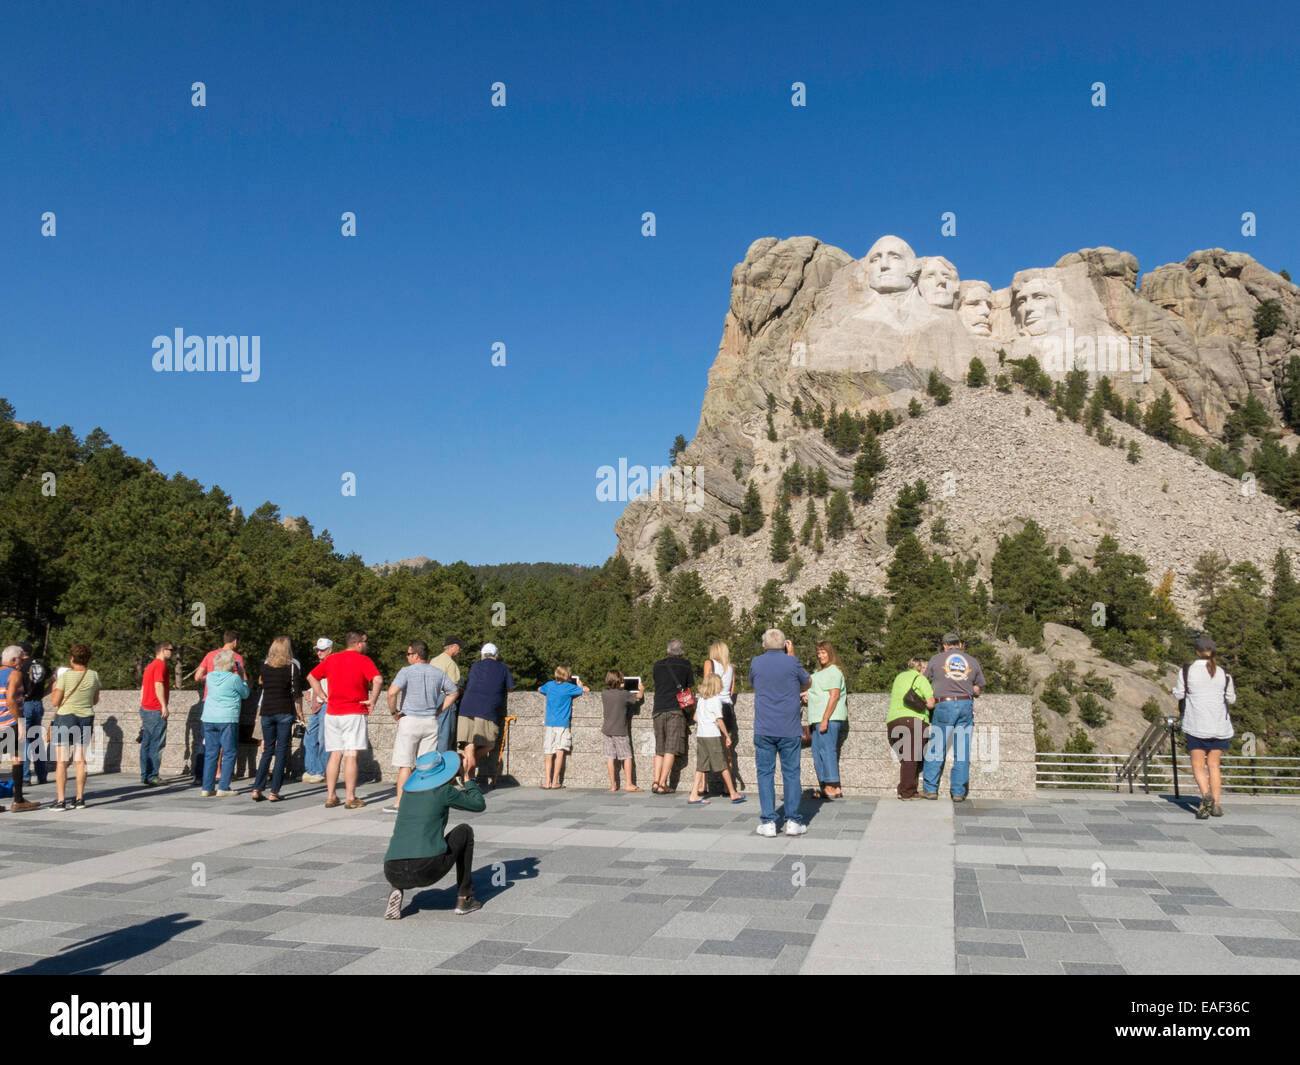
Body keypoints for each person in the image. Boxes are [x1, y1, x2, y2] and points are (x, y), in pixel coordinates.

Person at [382, 750, 484, 919]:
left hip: (392, 869)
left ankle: (396, 888)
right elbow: (478, 804)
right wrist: (466, 777)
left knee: (407, 838)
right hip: (426, 868)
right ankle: (465, 898)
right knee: (464, 831)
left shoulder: (407, 793)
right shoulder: (444, 791)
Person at [307, 631, 381, 810]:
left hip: (333, 712)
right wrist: (373, 700)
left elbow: (311, 676)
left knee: (335, 754)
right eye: (365, 642)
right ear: (357, 643)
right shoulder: (363, 660)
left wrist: (322, 695)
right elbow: (377, 679)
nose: (366, 645)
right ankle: (350, 797)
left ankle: (331, 796)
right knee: (351, 754)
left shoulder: (332, 659)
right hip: (354, 711)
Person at [749, 629, 810, 836]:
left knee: (765, 773)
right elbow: (807, 681)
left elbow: (752, 682)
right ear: (785, 645)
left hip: (764, 727)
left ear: (764, 645)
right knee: (791, 773)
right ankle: (793, 820)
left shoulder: (756, 662)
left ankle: (768, 822)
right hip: (789, 727)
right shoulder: (792, 662)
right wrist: (790, 655)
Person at [385, 640, 458, 813]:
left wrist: (394, 711)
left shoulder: (406, 672)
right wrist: (439, 710)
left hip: (409, 720)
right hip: (430, 721)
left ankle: (401, 803)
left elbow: (392, 692)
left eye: (409, 654)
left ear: (416, 655)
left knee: (405, 764)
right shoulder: (438, 673)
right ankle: (424, 802)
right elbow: (453, 691)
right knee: (426, 765)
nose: (407, 657)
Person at [1173, 635, 1237, 820]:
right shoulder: (1224, 674)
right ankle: (1216, 804)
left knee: (1198, 765)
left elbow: (1179, 695)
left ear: (1196, 651)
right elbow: (1231, 699)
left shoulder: (1187, 671)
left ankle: (1205, 795)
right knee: (1214, 765)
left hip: (1197, 725)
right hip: (1219, 726)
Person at [921, 633, 984, 802]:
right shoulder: (972, 661)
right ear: (960, 645)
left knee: (937, 747)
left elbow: (924, 681)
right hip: (966, 705)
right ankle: (958, 792)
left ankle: (930, 789)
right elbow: (977, 688)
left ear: (944, 646)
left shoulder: (936, 659)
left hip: (944, 705)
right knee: (962, 751)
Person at [48, 643, 102, 810]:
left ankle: (61, 800)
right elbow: (95, 700)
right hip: (86, 717)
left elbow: (54, 702)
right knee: (80, 760)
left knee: (62, 761)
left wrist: (54, 687)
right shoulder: (93, 675)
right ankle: (80, 798)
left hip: (65, 717)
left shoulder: (65, 677)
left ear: (72, 659)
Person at [252, 636, 303, 802]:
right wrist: (300, 713)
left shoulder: (265, 667)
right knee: (281, 750)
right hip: (284, 711)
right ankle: (274, 791)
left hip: (266, 711)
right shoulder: (292, 667)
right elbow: (296, 693)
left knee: (267, 750)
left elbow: (264, 685)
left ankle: (257, 788)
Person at [456, 643, 515, 786]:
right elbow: (511, 688)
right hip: (486, 710)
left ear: (482, 655)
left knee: (469, 745)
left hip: (466, 708)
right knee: (489, 744)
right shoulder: (502, 667)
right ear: (496, 655)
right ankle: (469, 778)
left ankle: (466, 776)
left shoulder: (475, 666)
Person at [688, 673, 743, 805]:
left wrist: (704, 719)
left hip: (701, 734)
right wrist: (727, 735)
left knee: (701, 766)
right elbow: (719, 720)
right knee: (722, 764)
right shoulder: (715, 700)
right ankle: (733, 792)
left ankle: (693, 794)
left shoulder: (702, 699)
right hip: (712, 735)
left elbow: (695, 718)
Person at [200, 650, 248, 797]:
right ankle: (223, 787)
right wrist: (241, 675)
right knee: (229, 752)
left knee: (210, 753)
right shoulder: (234, 679)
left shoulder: (210, 677)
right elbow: (245, 693)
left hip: (209, 717)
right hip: (227, 718)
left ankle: (207, 787)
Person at [887, 657, 936, 800]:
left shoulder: (899, 677)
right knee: (911, 757)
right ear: (922, 668)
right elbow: (931, 703)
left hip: (893, 721)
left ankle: (909, 789)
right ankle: (906, 792)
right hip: (913, 721)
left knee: (907, 758)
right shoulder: (920, 679)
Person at [805, 641, 848, 799]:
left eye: (823, 652)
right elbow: (816, 690)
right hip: (817, 719)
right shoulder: (818, 672)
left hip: (828, 718)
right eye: (818, 653)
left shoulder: (834, 671)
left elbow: (834, 695)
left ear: (830, 653)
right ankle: (826, 785)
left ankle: (833, 786)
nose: (820, 656)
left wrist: (825, 719)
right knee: (818, 752)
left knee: (827, 751)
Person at [650, 638, 694, 794]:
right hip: (675, 710)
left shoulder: (657, 665)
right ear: (681, 652)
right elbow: (688, 688)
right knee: (671, 747)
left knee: (659, 748)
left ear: (668, 650)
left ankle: (655, 781)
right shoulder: (685, 665)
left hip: (658, 709)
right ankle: (663, 784)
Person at [0, 645, 40, 811]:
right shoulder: (14, 674)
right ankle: (18, 800)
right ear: (14, 660)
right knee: (17, 758)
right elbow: (10, 700)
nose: (23, 663)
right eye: (21, 659)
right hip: (11, 722)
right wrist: (20, 721)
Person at [538, 666, 587, 789]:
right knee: (560, 752)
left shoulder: (549, 685)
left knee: (548, 753)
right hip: (563, 724)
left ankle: (547, 781)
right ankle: (555, 782)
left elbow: (540, 689)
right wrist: (580, 685)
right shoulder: (569, 687)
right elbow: (585, 690)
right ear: (568, 676)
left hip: (550, 723)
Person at [703, 641, 741, 793]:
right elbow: (731, 691)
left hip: (713, 706)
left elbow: (706, 685)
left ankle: (702, 785)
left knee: (706, 747)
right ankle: (728, 786)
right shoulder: (731, 668)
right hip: (727, 707)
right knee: (727, 749)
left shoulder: (709, 663)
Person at [601, 669, 643, 792]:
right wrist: (641, 689)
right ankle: (629, 784)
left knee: (610, 757)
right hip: (620, 730)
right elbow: (639, 697)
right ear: (620, 681)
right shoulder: (624, 694)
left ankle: (613, 785)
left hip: (607, 730)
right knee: (626, 757)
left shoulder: (604, 693)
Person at [139, 641, 173, 786]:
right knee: (157, 743)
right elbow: (158, 684)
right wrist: (164, 706)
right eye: (171, 649)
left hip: (146, 708)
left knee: (146, 743)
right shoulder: (160, 665)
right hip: (155, 709)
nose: (173, 652)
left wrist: (142, 705)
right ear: (163, 650)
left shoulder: (150, 666)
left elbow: (143, 687)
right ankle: (153, 775)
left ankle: (144, 775)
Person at [301, 638, 332, 783]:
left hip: (326, 704)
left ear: (330, 650)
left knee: (323, 739)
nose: (319, 652)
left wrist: (321, 695)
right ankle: (311, 769)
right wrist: (310, 691)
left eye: (322, 650)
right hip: (317, 705)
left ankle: (321, 771)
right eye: (318, 650)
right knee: (309, 737)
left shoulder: (332, 664)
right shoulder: (320, 665)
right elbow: (318, 682)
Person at [19, 644, 49, 786]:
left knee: (23, 740)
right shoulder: (40, 665)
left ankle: (25, 777)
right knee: (37, 740)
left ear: (20, 653)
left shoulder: (20, 666)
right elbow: (53, 679)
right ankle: (42, 775)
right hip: (38, 703)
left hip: (25, 704)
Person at [431, 637, 463, 754]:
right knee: (445, 734)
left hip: (433, 699)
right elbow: (454, 687)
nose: (460, 650)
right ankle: (443, 765)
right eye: (459, 647)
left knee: (434, 734)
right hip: (446, 699)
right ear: (453, 646)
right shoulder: (450, 663)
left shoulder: (434, 660)